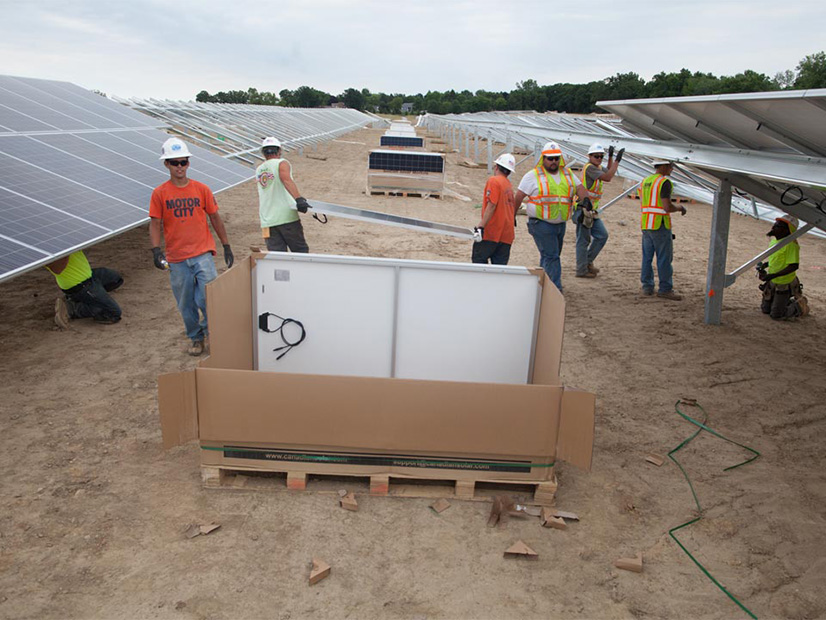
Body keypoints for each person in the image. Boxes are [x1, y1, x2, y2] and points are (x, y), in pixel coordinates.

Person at [149, 137, 234, 356]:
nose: (180, 167)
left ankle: (212, 333)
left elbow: (215, 217)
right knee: (185, 303)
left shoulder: (201, 189)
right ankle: (196, 338)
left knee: (207, 298)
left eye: (183, 162)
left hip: (202, 253)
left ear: (188, 163)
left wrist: (226, 245)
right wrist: (156, 250)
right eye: (174, 162)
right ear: (166, 164)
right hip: (177, 258)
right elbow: (155, 223)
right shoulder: (159, 194)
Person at [514, 141, 590, 293]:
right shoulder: (533, 175)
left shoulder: (567, 174)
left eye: (556, 158)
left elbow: (580, 188)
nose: (553, 161)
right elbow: (519, 196)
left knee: (549, 256)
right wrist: (512, 215)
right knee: (552, 256)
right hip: (540, 223)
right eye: (550, 158)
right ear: (543, 158)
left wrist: (585, 201)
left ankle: (542, 286)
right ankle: (555, 289)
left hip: (560, 224)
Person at [639, 159, 686, 300]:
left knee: (647, 257)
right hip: (660, 224)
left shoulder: (645, 181)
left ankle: (647, 287)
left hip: (646, 223)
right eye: (670, 167)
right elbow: (666, 207)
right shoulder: (664, 182)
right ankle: (665, 289)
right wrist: (679, 208)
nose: (671, 169)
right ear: (664, 166)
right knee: (664, 258)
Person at [573, 143, 622, 278]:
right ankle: (581, 269)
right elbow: (608, 177)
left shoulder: (597, 167)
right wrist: (617, 161)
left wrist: (611, 157)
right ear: (590, 156)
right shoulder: (590, 169)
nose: (599, 158)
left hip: (591, 211)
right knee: (583, 240)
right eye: (596, 156)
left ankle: (587, 262)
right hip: (583, 209)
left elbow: (608, 171)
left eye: (601, 156)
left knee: (602, 235)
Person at [256, 137, 310, 252]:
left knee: (278, 258)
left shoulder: (259, 169)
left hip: (267, 220)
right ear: (279, 150)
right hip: (286, 217)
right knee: (300, 252)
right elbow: (286, 180)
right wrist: (299, 199)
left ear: (263, 152)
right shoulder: (282, 163)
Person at [47, 250, 122, 329]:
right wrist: (67, 249)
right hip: (78, 284)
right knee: (114, 313)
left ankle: (92, 297)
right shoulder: (45, 249)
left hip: (88, 275)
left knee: (116, 279)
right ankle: (71, 308)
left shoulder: (60, 240)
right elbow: (57, 269)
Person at [758, 215, 809, 320]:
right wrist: (766, 265)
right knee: (765, 310)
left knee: (776, 315)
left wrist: (773, 275)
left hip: (783, 283)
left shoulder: (791, 245)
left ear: (787, 231)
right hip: (773, 280)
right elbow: (777, 259)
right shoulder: (774, 242)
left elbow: (793, 266)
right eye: (775, 224)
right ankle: (783, 302)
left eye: (779, 226)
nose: (774, 227)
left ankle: (799, 306)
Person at [472, 153, 516, 265]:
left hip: (492, 233)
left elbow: (492, 205)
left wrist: (481, 226)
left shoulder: (494, 181)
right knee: (499, 270)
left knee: (479, 263)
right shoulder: (508, 185)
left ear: (496, 167)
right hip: (506, 235)